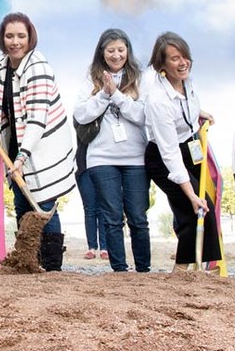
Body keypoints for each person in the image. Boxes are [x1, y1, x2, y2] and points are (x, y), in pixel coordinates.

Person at [0, 12, 76, 271]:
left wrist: (22, 156)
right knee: (21, 203)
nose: (15, 42)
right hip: (17, 146)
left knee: (42, 204)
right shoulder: (2, 66)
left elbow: (37, 118)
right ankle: (27, 261)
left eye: (21, 36)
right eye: (9, 36)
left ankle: (51, 265)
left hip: (42, 148)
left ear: (30, 39)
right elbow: (8, 109)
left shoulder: (38, 66)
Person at [74, 28, 150, 273]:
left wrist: (116, 95)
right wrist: (103, 96)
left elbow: (143, 115)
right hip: (101, 157)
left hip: (136, 157)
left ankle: (144, 268)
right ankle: (119, 269)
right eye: (111, 51)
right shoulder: (90, 80)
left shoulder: (141, 79)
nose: (116, 55)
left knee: (138, 216)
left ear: (127, 50)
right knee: (112, 216)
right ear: (102, 53)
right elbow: (81, 114)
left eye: (121, 50)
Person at [144, 32, 220, 272]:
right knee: (196, 206)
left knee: (200, 208)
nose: (182, 62)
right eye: (175, 58)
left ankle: (205, 268)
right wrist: (190, 193)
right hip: (164, 159)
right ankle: (181, 271)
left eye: (185, 57)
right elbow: (169, 154)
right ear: (162, 66)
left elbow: (185, 110)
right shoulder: (158, 100)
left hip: (189, 146)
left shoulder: (187, 82)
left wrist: (198, 114)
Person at [74, 152, 107, 261]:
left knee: (103, 208)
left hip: (103, 165)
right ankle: (92, 248)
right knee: (89, 209)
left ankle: (104, 248)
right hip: (84, 167)